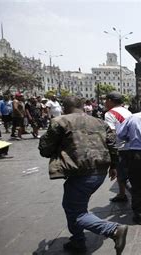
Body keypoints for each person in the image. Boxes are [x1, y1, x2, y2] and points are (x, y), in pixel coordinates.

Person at [38, 96, 128, 254]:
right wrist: (114, 166)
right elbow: (112, 145)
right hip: (100, 171)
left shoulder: (60, 121)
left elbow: (45, 149)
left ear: (65, 108)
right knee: (73, 206)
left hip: (80, 172)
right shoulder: (100, 122)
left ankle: (112, 229)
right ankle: (78, 240)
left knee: (76, 211)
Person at [104, 92, 133, 203]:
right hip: (131, 146)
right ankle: (121, 194)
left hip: (120, 147)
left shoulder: (110, 114)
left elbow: (112, 134)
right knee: (127, 173)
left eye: (106, 100)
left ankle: (139, 199)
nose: (105, 103)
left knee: (122, 175)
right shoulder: (128, 111)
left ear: (111, 100)